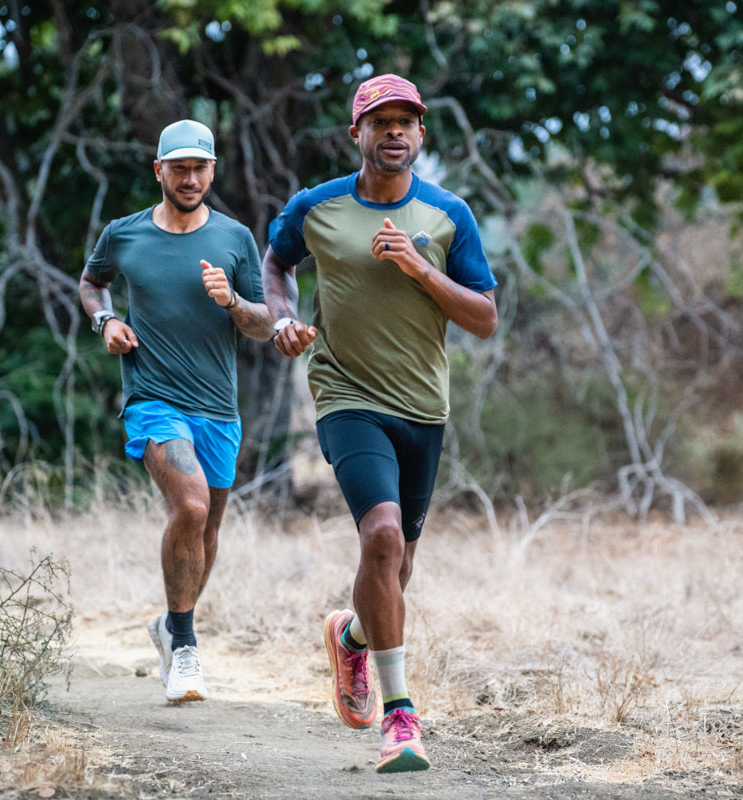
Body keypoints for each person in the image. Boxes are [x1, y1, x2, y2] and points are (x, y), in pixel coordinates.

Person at [262, 74, 498, 772]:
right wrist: (282, 316)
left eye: (407, 121)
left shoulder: (449, 214)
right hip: (345, 394)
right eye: (380, 121)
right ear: (356, 134)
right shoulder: (318, 207)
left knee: (396, 569)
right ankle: (401, 718)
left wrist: (424, 271)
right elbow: (277, 263)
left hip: (423, 407)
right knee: (383, 535)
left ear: (421, 135)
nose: (394, 132)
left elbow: (484, 317)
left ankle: (354, 636)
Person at [78, 119, 273, 703]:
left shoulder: (235, 239)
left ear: (213, 171)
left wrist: (233, 300)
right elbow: (92, 283)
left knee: (207, 531)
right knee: (188, 505)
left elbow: (263, 327)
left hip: (220, 409)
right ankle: (185, 648)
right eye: (179, 167)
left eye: (201, 167)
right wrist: (106, 320)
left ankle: (168, 624)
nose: (191, 178)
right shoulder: (124, 234)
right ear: (158, 170)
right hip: (154, 399)